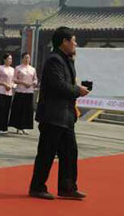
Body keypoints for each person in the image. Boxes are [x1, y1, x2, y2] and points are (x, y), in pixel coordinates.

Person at [29, 26, 90, 200]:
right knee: (46, 153)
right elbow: (59, 86)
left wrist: (76, 88)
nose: (75, 44)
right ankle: (37, 187)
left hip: (66, 116)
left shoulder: (66, 60)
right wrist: (77, 90)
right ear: (64, 42)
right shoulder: (54, 60)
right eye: (73, 41)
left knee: (70, 152)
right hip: (53, 116)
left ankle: (67, 187)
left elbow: (67, 84)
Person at [9, 52, 38, 135]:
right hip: (20, 91)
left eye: (28, 58)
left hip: (29, 91)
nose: (27, 59)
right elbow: (14, 79)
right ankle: (18, 127)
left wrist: (33, 83)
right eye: (25, 57)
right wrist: (23, 82)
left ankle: (25, 127)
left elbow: (35, 79)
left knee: (27, 110)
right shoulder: (18, 68)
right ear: (22, 59)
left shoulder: (32, 69)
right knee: (19, 109)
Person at [0, 53, 15, 133]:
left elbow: (14, 80)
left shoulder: (13, 69)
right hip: (1, 91)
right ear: (4, 60)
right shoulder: (0, 68)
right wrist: (4, 84)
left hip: (9, 92)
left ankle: (4, 127)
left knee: (6, 110)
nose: (10, 60)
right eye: (8, 59)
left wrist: (11, 85)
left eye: (11, 59)